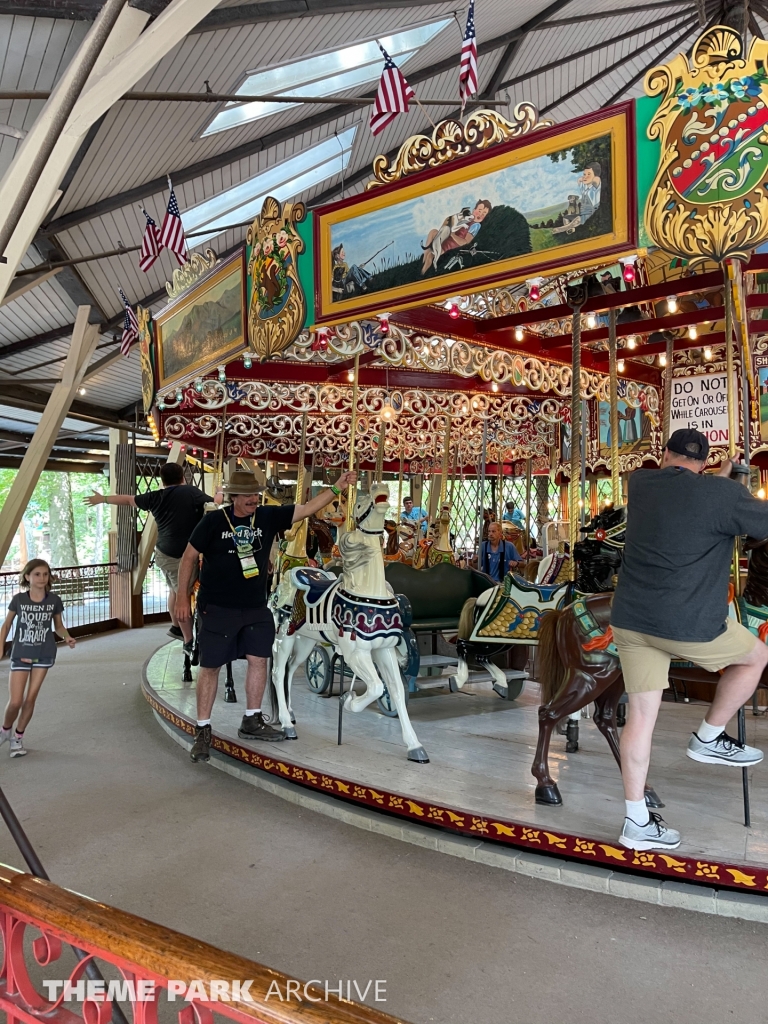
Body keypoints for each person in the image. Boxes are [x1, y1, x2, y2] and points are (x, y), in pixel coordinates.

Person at [611, 429, 768, 852]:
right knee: (756, 655)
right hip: (686, 622)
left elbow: (690, 491)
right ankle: (708, 737)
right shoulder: (720, 495)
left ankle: (636, 822)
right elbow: (754, 519)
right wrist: (733, 484)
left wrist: (724, 478)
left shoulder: (640, 484)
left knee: (641, 718)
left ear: (665, 454)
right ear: (703, 464)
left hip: (631, 620)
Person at [177, 468, 357, 763]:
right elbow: (187, 558)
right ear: (233, 496)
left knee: (259, 660)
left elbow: (309, 507)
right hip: (218, 607)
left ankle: (251, 719)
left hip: (255, 606)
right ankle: (202, 729)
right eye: (247, 495)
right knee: (211, 667)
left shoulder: (267, 516)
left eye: (256, 494)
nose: (253, 499)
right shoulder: (212, 522)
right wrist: (183, 597)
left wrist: (336, 487)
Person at [85, 463, 219, 649]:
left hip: (163, 553)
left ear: (162, 480)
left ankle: (176, 626)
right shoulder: (191, 492)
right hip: (182, 555)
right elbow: (214, 505)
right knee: (183, 594)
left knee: (174, 589)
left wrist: (103, 499)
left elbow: (128, 500)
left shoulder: (156, 497)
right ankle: (189, 640)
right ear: (183, 477)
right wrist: (220, 494)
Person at [0, 559, 76, 757]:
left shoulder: (54, 600)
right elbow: (7, 625)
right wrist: (0, 647)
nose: (42, 578)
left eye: (45, 574)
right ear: (27, 577)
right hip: (21, 653)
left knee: (30, 698)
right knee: (15, 701)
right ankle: (5, 729)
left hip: (44, 654)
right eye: (37, 574)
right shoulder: (18, 599)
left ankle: (18, 737)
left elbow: (58, 626)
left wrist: (67, 636)